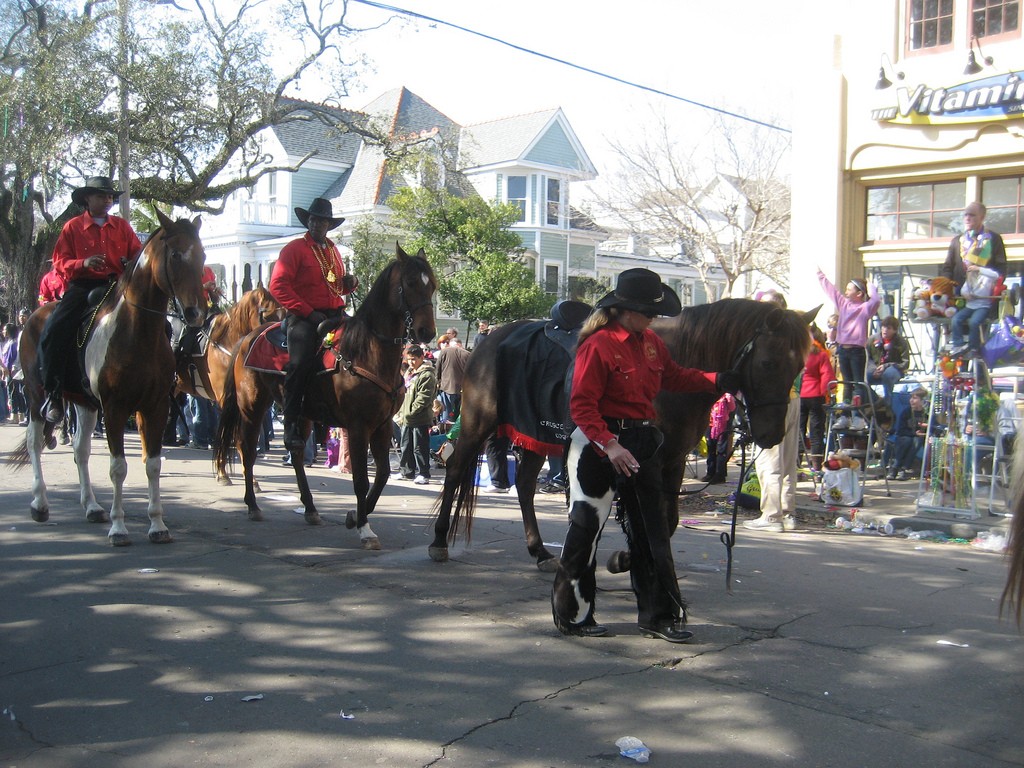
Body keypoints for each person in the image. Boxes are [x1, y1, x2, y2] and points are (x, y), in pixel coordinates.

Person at [550, 268, 741, 643]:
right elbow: (582, 406)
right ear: (623, 309)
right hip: (596, 444)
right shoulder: (597, 345)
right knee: (585, 531)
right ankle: (572, 614)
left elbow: (674, 377)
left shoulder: (650, 341)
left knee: (653, 531)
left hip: (638, 442)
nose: (654, 317)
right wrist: (610, 445)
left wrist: (717, 379)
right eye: (647, 310)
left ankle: (659, 616)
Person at [37, 176, 143, 423]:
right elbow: (60, 263)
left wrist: (131, 266)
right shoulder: (72, 227)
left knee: (160, 325)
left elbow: (138, 257)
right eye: (101, 196)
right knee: (54, 329)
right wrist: (83, 263)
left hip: (117, 287)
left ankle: (158, 386)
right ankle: (53, 393)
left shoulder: (122, 226)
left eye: (109, 197)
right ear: (87, 198)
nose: (107, 200)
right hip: (83, 287)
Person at [268, 198, 357, 451]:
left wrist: (351, 282)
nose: (316, 223)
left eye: (321, 220)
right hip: (304, 318)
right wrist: (308, 312)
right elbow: (278, 287)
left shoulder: (333, 250)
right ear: (308, 221)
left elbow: (336, 285)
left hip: (335, 314)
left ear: (329, 224)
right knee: (299, 364)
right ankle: (293, 426)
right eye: (313, 219)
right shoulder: (294, 249)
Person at [745, 290, 803, 532]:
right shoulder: (795, 333)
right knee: (788, 460)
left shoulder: (772, 336)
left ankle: (771, 515)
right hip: (793, 397)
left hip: (774, 401)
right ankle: (788, 512)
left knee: (769, 461)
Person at [942, 202, 1007, 358]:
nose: (967, 218)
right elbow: (948, 267)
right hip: (960, 297)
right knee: (957, 334)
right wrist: (945, 288)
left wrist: (989, 285)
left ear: (982, 217)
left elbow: (1002, 268)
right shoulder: (957, 241)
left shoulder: (994, 239)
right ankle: (957, 364)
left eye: (972, 215)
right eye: (965, 214)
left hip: (984, 299)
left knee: (976, 342)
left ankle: (977, 370)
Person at [817, 270, 880, 403]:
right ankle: (845, 412)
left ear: (859, 293)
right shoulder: (843, 304)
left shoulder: (865, 308)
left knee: (858, 383)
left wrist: (869, 285)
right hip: (843, 350)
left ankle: (857, 415)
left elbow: (876, 300)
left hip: (857, 350)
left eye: (849, 290)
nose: (846, 292)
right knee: (846, 382)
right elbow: (831, 291)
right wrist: (821, 275)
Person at [394, 345, 437, 484]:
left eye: (414, 359)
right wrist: (401, 412)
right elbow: (404, 394)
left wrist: (411, 412)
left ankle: (424, 473)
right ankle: (406, 471)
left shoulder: (427, 375)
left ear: (421, 358)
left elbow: (423, 397)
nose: (411, 362)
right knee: (405, 445)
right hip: (406, 417)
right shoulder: (409, 373)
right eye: (409, 359)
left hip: (419, 418)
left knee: (420, 447)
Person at [799, 324, 835, 474]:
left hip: (800, 394)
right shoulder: (821, 355)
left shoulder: (801, 353)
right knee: (816, 432)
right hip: (816, 395)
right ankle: (816, 468)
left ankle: (797, 466)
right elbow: (827, 376)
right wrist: (824, 394)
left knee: (799, 431)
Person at [887, 387, 929, 481]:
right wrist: (914, 433)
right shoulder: (906, 412)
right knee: (907, 441)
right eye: (911, 398)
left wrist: (928, 426)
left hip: (919, 438)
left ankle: (901, 469)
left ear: (922, 400)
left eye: (915, 398)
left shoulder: (927, 413)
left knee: (917, 441)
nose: (911, 401)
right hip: (905, 436)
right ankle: (897, 468)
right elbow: (900, 430)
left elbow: (935, 427)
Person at [867, 316, 910, 405]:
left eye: (889, 328)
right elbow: (867, 357)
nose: (885, 330)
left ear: (895, 330)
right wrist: (874, 369)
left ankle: (888, 405)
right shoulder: (872, 339)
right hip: (875, 369)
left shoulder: (901, 342)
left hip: (893, 369)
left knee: (889, 374)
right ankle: (875, 400)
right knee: (863, 378)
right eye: (883, 327)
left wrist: (887, 366)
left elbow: (905, 363)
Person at [434, 333, 470, 422]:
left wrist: (436, 381)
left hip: (447, 387)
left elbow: (437, 369)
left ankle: (445, 431)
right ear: (460, 345)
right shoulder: (468, 354)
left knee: (446, 411)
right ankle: (455, 433)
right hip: (463, 389)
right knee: (458, 413)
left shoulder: (444, 351)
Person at [701, 393, 735, 484]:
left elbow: (732, 408)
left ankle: (720, 475)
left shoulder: (726, 396)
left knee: (721, 451)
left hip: (722, 426)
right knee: (711, 450)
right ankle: (710, 473)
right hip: (710, 425)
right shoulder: (710, 394)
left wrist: (728, 398)